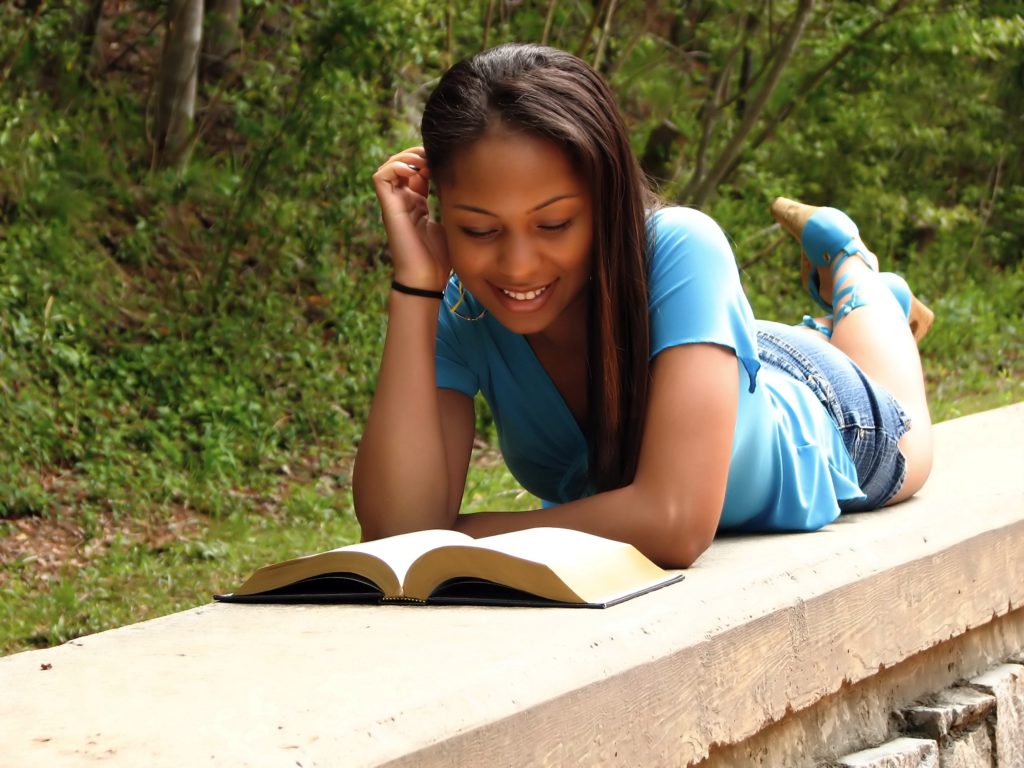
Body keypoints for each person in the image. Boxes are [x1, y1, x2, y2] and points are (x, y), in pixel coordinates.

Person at [353, 43, 933, 567]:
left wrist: (458, 538)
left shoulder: (682, 245)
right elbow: (396, 529)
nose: (518, 266)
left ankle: (857, 275)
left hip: (822, 404)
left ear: (606, 201)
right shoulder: (463, 309)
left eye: (554, 223)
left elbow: (674, 523)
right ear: (441, 214)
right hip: (706, 352)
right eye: (479, 230)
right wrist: (416, 285)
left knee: (914, 442)